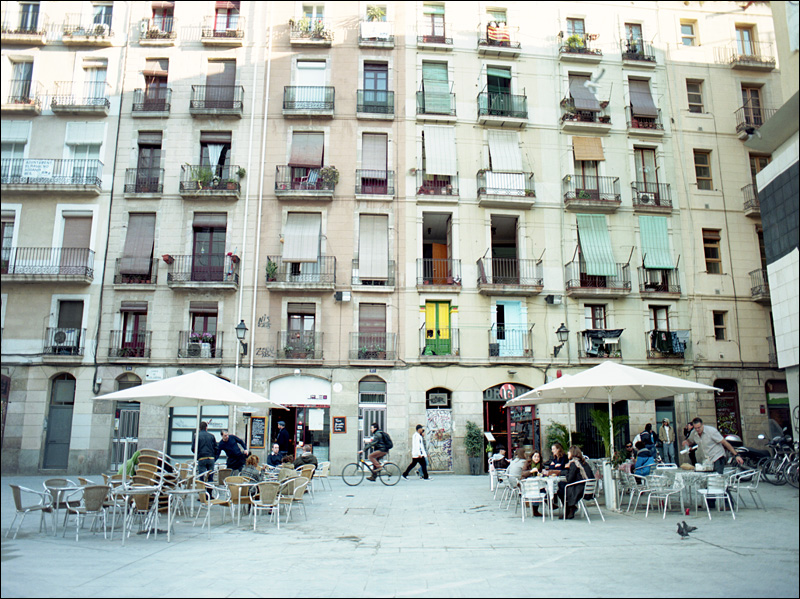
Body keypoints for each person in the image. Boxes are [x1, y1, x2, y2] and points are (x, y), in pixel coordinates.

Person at [556, 446, 595, 520]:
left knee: (561, 487)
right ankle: (570, 508)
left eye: (569, 452)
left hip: (580, 490)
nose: (567, 453)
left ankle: (569, 508)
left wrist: (567, 468)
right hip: (588, 489)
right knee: (562, 486)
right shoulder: (584, 463)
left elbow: (569, 479)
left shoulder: (574, 464)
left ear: (572, 453)